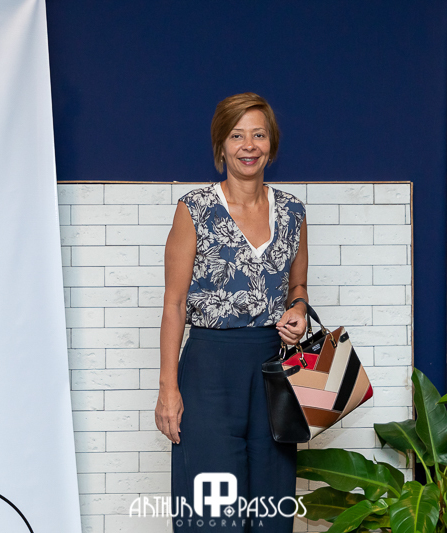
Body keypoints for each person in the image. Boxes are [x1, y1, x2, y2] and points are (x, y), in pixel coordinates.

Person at [155, 92, 309, 533]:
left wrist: (297, 311)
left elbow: (297, 288)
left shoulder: (293, 212)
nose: (249, 146)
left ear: (271, 144)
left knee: (271, 507)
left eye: (258, 135)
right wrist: (168, 389)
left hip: (274, 373)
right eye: (237, 135)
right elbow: (174, 304)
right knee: (212, 509)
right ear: (221, 144)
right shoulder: (194, 209)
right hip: (209, 372)